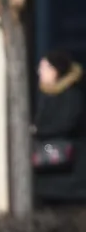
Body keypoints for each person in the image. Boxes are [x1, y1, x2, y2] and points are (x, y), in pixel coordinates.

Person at [32, 49, 86, 204]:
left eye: (44, 67)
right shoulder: (44, 94)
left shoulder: (73, 95)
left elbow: (67, 124)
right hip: (48, 170)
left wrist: (38, 130)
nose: (39, 71)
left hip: (70, 173)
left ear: (55, 71)